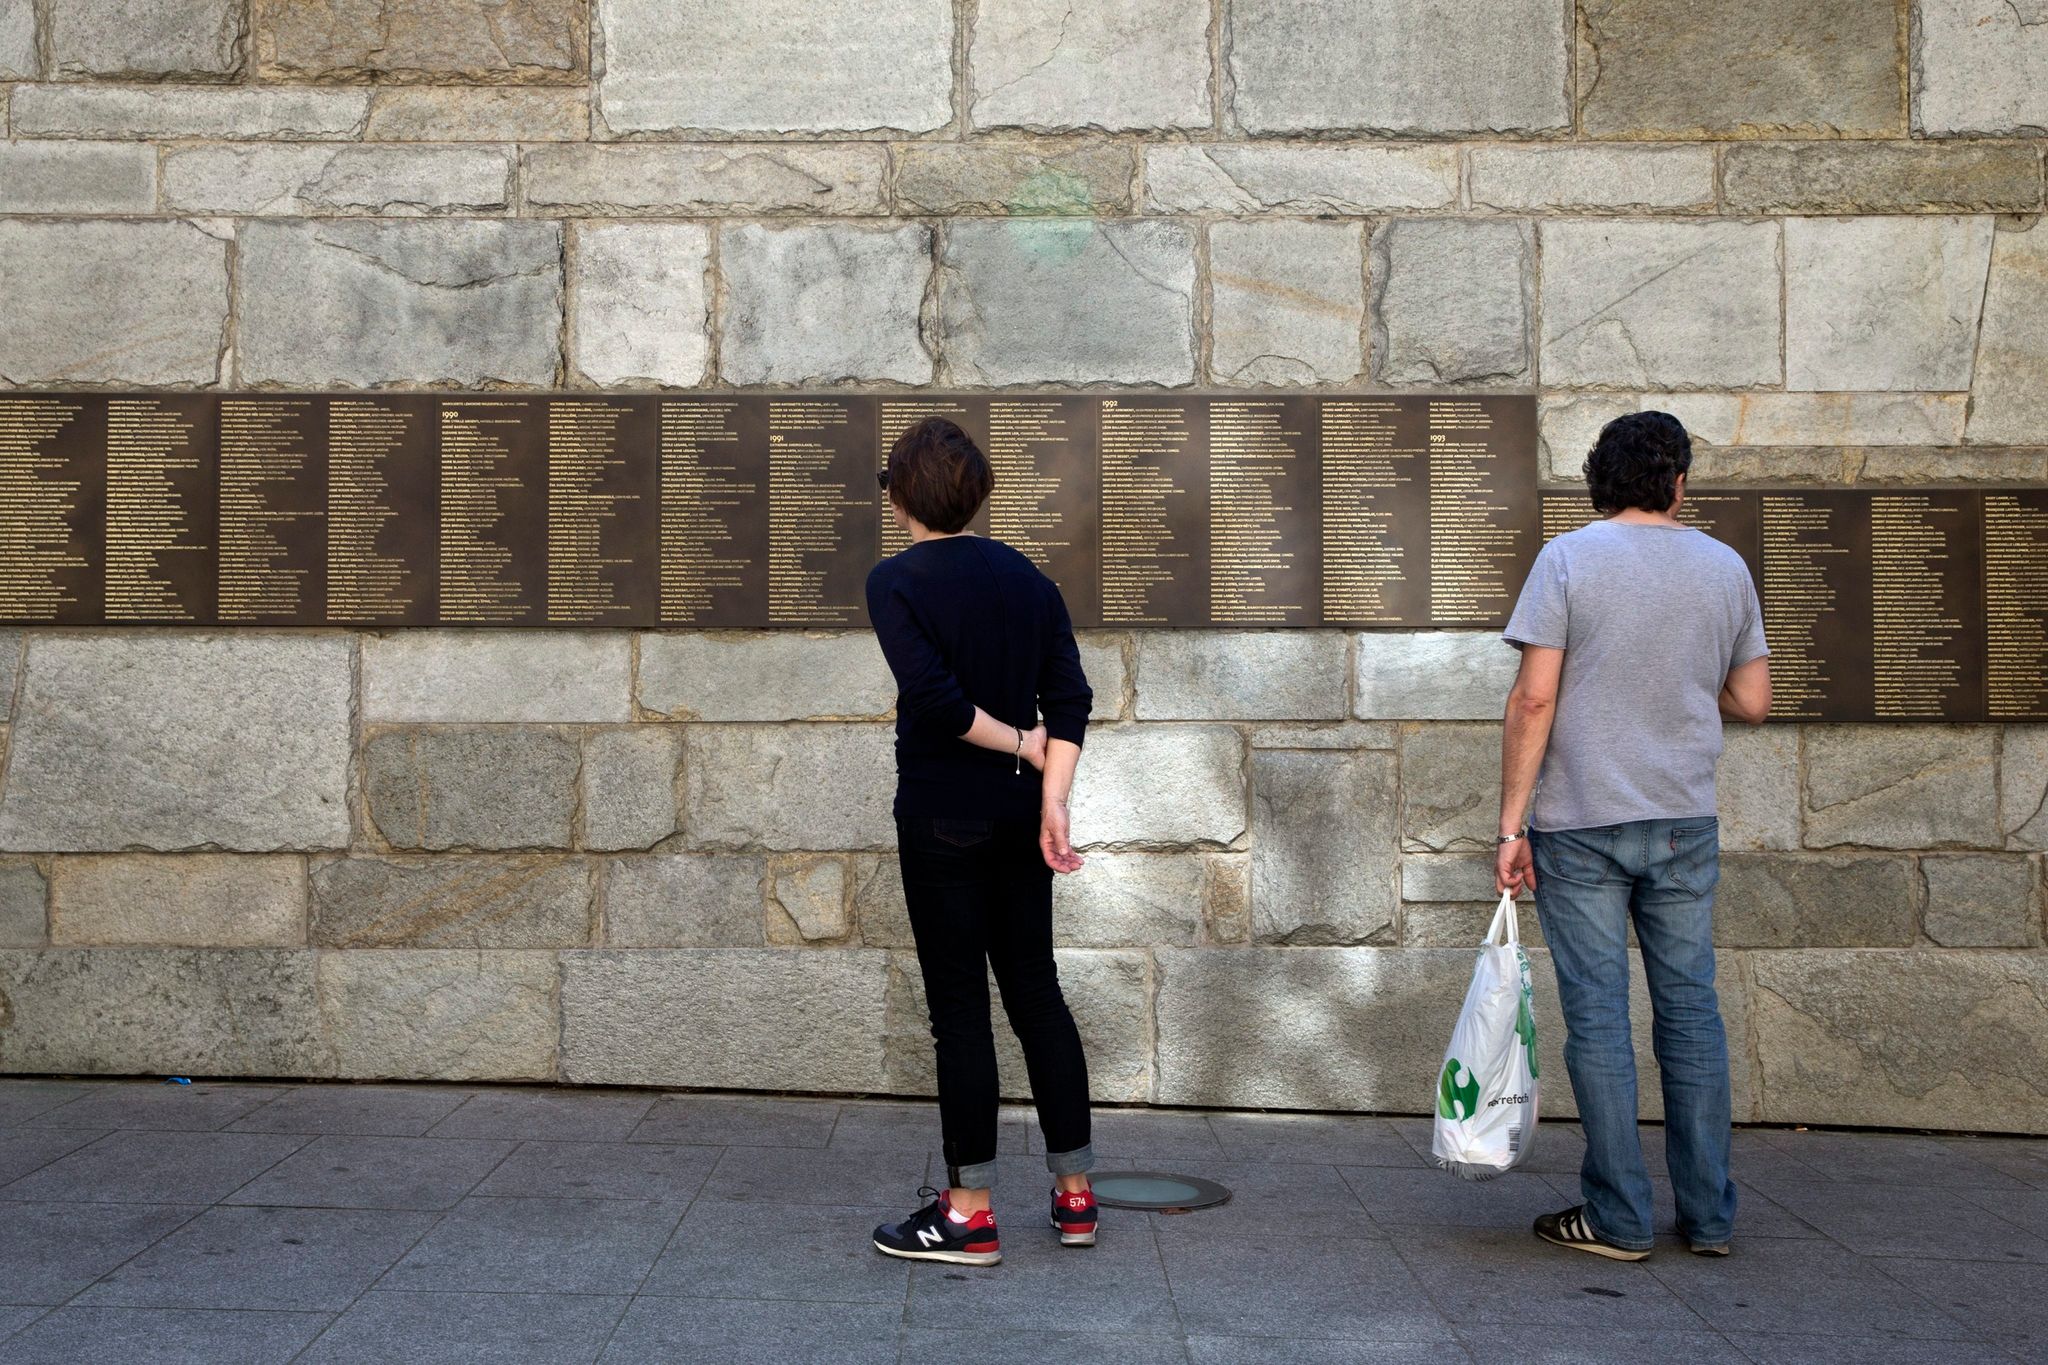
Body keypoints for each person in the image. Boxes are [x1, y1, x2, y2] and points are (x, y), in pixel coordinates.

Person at [1495, 410, 1771, 1262]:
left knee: (1601, 1020)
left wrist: (1511, 823)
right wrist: (1685, 688)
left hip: (1582, 823)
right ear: (1678, 480)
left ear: (1598, 479)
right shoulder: (1724, 567)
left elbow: (1534, 699)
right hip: (1683, 821)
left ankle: (1617, 1216)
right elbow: (1753, 699)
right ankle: (1710, 1216)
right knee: (1691, 1013)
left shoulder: (1569, 559)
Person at [864, 416, 1097, 1268]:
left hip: (940, 818)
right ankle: (1076, 1196)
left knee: (961, 1009)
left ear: (900, 499)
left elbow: (933, 699)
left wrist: (1021, 747)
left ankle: (968, 1214)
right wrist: (1052, 796)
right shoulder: (1028, 580)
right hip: (1015, 817)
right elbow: (1070, 697)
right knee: (1037, 993)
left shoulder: (895, 583)